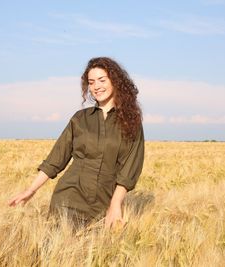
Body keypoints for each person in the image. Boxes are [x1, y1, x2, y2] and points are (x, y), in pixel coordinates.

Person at [9, 57, 145, 228]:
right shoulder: (80, 119)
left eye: (102, 80)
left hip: (104, 203)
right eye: (91, 82)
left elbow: (130, 168)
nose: (96, 86)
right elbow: (56, 159)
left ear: (115, 81)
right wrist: (31, 190)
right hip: (68, 198)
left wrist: (115, 204)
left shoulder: (131, 122)